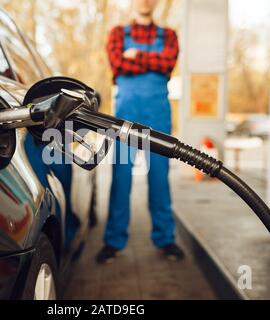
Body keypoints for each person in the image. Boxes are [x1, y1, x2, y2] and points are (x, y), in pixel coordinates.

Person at [97, 0, 184, 264]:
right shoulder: (117, 34)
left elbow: (168, 63)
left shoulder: (169, 35)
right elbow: (118, 65)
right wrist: (149, 62)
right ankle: (113, 241)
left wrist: (136, 56)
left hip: (158, 116)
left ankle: (165, 239)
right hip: (125, 116)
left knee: (160, 178)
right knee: (120, 177)